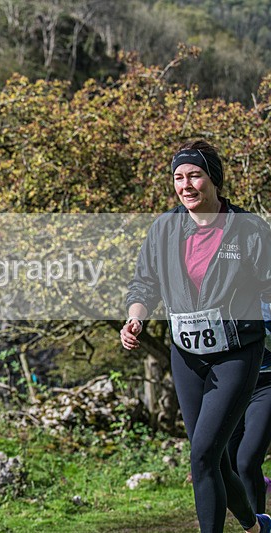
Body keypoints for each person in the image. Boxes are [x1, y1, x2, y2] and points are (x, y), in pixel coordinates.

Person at [121, 139, 271, 533]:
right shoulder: (164, 228)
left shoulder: (249, 229)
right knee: (214, 459)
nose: (185, 184)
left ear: (214, 179)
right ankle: (256, 527)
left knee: (203, 455)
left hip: (237, 352)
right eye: (178, 177)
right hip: (186, 355)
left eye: (195, 175)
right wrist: (135, 319)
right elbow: (144, 284)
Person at [228, 301, 271, 514]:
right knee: (227, 460)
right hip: (236, 382)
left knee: (247, 460)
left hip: (267, 384)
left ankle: (260, 525)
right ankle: (258, 484)